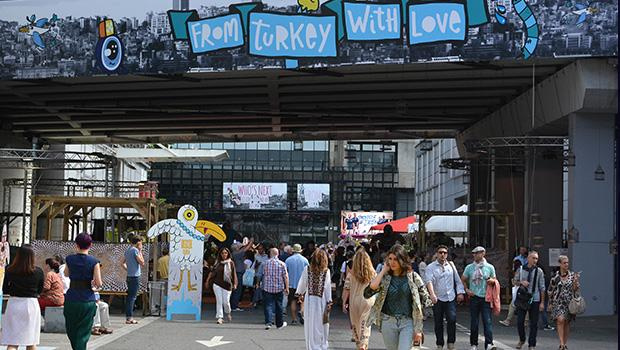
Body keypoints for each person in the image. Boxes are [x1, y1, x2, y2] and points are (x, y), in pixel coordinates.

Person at [366, 244, 430, 350]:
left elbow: (425, 301)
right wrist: (382, 271)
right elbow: (368, 292)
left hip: (407, 322)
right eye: (390, 259)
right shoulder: (385, 278)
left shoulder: (413, 277)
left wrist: (418, 328)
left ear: (403, 260)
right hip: (388, 321)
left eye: (396, 259)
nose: (392, 262)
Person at [1, 244, 44, 350]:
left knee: (12, 341)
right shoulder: (38, 271)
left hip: (14, 304)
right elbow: (40, 290)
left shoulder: (10, 270)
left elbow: (5, 289)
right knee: (31, 341)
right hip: (31, 304)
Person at [64, 233, 102, 350]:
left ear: (76, 245)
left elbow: (66, 273)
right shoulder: (94, 261)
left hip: (71, 297)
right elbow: (98, 282)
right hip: (87, 299)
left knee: (72, 329)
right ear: (90, 245)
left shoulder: (69, 259)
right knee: (84, 332)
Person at [425, 245, 465, 350]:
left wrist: (460, 292)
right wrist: (432, 294)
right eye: (440, 252)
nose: (442, 254)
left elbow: (457, 280)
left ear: (447, 254)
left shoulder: (451, 266)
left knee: (452, 319)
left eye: (445, 253)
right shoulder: (430, 267)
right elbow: (428, 281)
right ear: (437, 254)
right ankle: (440, 344)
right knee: (438, 322)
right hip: (437, 298)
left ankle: (451, 342)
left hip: (450, 297)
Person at [462, 246, 497, 350]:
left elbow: (494, 280)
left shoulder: (489, 267)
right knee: (474, 322)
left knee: (487, 321)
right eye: (473, 253)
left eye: (477, 253)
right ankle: (474, 344)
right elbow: (463, 279)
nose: (474, 255)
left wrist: (491, 280)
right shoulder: (469, 267)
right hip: (474, 297)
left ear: (483, 253)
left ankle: (489, 344)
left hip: (486, 297)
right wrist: (467, 290)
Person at [296, 249, 332, 350]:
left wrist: (300, 294)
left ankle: (312, 346)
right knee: (321, 324)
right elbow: (327, 287)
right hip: (322, 300)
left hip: (310, 301)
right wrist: (329, 301)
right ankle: (321, 345)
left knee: (310, 324)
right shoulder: (326, 271)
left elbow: (303, 284)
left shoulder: (307, 269)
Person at [342, 249, 376, 350]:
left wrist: (344, 302)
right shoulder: (372, 273)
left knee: (355, 323)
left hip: (354, 300)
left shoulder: (351, 274)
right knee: (365, 324)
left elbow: (346, 289)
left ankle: (359, 345)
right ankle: (364, 343)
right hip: (368, 300)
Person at [514, 251, 545, 350]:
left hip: (534, 298)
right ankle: (522, 339)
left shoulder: (539, 271)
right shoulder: (521, 269)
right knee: (520, 321)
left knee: (534, 323)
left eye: (536, 258)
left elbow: (542, 287)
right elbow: (514, 281)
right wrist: (521, 282)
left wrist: (542, 302)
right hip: (523, 298)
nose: (535, 260)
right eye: (533, 258)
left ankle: (532, 344)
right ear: (528, 258)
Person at [548, 255, 580, 350]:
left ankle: (564, 344)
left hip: (569, 303)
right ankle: (561, 344)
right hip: (558, 303)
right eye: (564, 262)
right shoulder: (555, 277)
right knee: (560, 320)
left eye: (567, 262)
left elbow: (576, 289)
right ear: (560, 264)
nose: (566, 264)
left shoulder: (572, 275)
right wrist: (550, 303)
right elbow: (550, 291)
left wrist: (575, 281)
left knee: (566, 322)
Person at [207, 247, 237, 324]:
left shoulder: (231, 263)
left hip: (227, 285)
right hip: (217, 284)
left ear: (228, 254)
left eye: (225, 253)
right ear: (220, 254)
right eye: (223, 253)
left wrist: (235, 283)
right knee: (219, 301)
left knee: (226, 302)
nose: (224, 254)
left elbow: (234, 274)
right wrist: (207, 281)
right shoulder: (217, 262)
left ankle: (228, 312)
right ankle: (220, 317)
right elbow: (212, 272)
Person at [262, 248, 289, 330]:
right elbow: (285, 276)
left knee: (268, 305)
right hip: (279, 287)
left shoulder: (265, 263)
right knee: (279, 305)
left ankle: (268, 322)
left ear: (270, 254)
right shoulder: (282, 264)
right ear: (278, 254)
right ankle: (279, 324)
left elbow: (263, 274)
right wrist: (287, 287)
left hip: (267, 287)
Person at [120, 235, 145, 324]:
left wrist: (128, 269)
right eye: (141, 242)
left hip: (129, 276)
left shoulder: (127, 250)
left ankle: (128, 316)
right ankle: (129, 317)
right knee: (132, 297)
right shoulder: (135, 251)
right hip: (135, 276)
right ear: (138, 242)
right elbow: (142, 262)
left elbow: (122, 263)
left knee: (130, 297)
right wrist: (140, 250)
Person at [285, 243, 309, 325]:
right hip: (302, 284)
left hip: (291, 284)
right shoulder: (305, 260)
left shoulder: (288, 260)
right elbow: (308, 272)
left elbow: (285, 272)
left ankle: (294, 319)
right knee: (302, 300)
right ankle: (301, 312)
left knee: (293, 301)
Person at [230, 239, 253, 311]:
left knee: (236, 289)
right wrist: (251, 241)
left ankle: (233, 305)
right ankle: (234, 306)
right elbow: (246, 248)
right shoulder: (237, 253)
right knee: (237, 290)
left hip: (237, 272)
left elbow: (243, 248)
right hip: (238, 273)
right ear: (236, 248)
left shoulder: (235, 253)